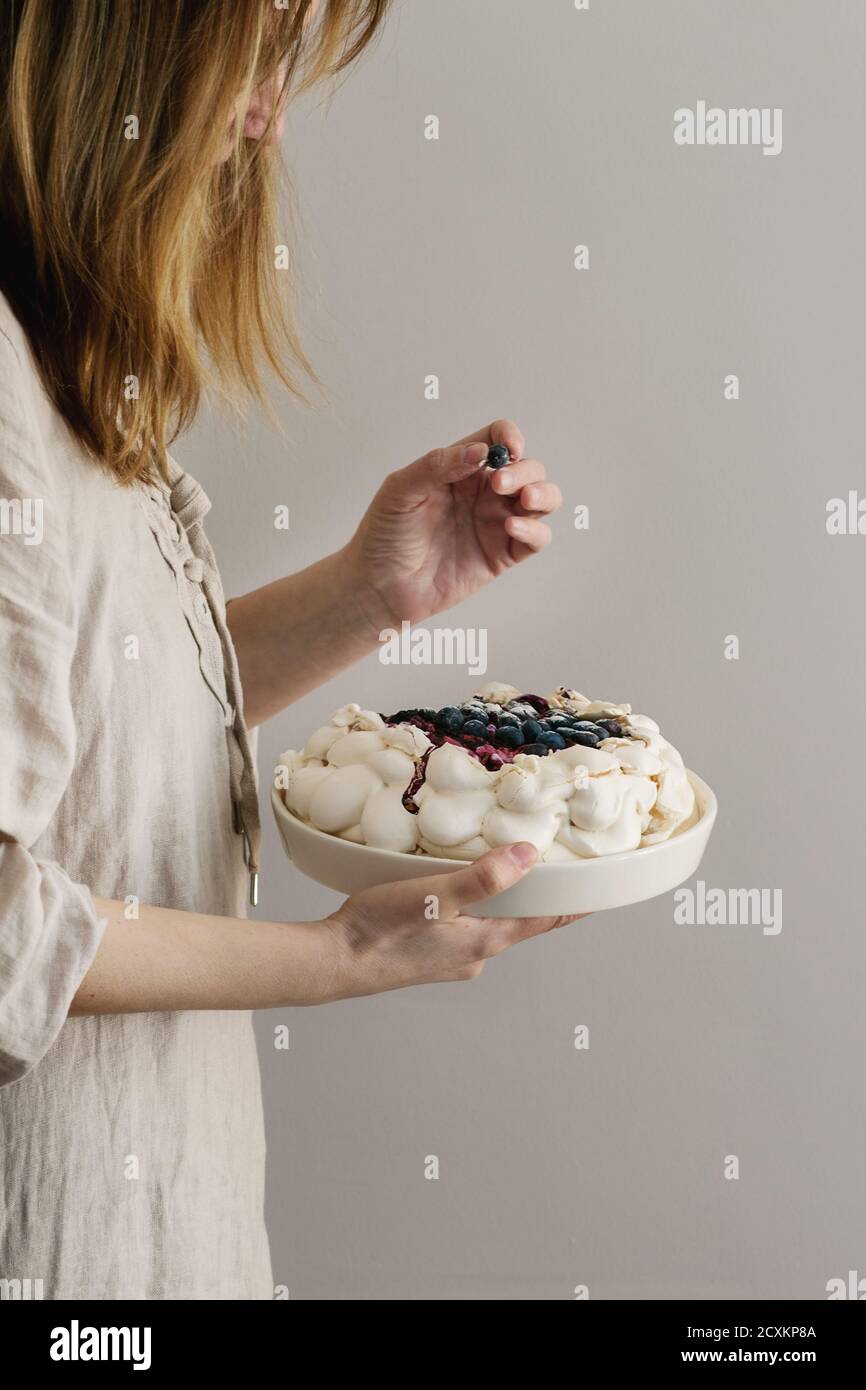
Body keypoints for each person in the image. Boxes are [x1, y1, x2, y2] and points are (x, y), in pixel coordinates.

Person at [0, 0, 573, 1300]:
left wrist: (368, 595)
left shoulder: (61, 374)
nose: (266, 114)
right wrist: (341, 955)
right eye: (252, 58)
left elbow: (88, 739)